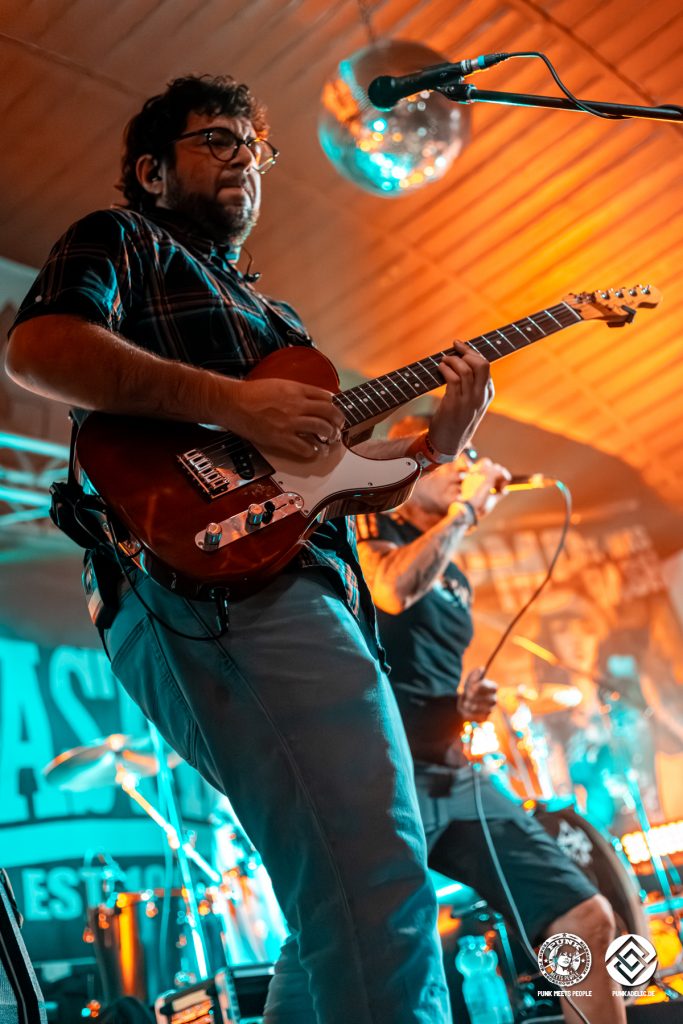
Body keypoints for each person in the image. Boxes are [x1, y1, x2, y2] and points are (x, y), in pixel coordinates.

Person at [5, 76, 494, 1024]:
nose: (244, 159)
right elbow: (39, 349)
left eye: (254, 147)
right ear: (153, 171)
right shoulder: (124, 237)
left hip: (296, 581)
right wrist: (233, 403)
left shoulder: (279, 322)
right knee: (374, 874)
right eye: (217, 140)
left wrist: (439, 445)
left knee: (332, 896)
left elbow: (337, 477)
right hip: (215, 588)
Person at [356, 414, 627, 1024]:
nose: (467, 467)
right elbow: (391, 590)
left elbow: (424, 674)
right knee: (374, 956)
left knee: (584, 916)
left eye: (473, 456)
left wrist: (464, 703)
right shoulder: (373, 524)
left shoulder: (453, 574)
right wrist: (466, 514)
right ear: (410, 463)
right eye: (452, 455)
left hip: (452, 773)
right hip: (381, 778)